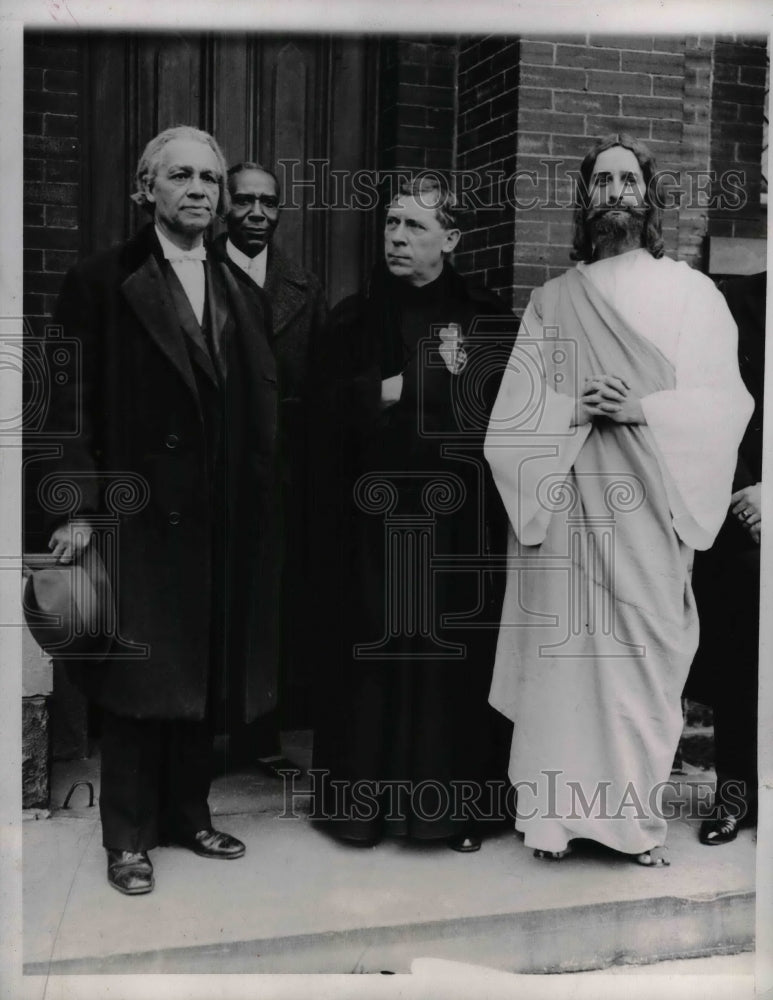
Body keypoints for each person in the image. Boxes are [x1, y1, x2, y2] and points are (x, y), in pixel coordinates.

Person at [484, 134, 753, 866]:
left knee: (640, 663)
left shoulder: (690, 294)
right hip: (568, 508)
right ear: (585, 199)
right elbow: (511, 419)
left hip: (647, 512)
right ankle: (553, 822)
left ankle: (631, 826)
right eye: (600, 180)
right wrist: (573, 410)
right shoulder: (551, 301)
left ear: (647, 196)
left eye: (626, 179)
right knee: (564, 661)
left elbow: (723, 402)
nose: (614, 191)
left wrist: (638, 406)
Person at [39, 126, 280, 895]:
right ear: (146, 189)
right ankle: (126, 837)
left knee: (201, 673)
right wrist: (73, 507)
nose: (201, 191)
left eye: (211, 178)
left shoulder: (238, 289)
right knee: (138, 682)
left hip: (216, 518)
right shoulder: (99, 281)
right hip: (133, 513)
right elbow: (63, 404)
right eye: (182, 176)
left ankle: (187, 813)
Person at [310, 176, 517, 851]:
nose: (396, 237)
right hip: (372, 522)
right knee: (373, 657)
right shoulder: (352, 318)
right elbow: (318, 415)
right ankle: (359, 811)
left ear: (450, 239)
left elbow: (506, 419)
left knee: (447, 665)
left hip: (457, 524)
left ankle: (449, 813)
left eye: (414, 228)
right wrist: (397, 387)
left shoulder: (488, 318)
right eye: (391, 224)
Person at [211, 162, 328, 763]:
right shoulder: (197, 275)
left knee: (274, 602)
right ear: (226, 207)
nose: (257, 212)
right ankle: (203, 735)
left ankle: (260, 734)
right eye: (245, 201)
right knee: (212, 597)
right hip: (215, 467)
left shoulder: (303, 288)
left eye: (269, 202)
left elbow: (323, 382)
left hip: (284, 472)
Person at [687, 270, 765, 845]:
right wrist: (749, 492)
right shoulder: (730, 299)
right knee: (742, 662)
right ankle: (736, 795)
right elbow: (705, 404)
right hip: (740, 515)